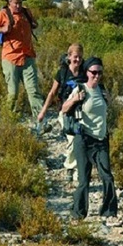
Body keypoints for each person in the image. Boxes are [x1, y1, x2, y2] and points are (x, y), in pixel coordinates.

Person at [62, 57, 118, 223]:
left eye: (100, 72)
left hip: (101, 140)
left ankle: (109, 212)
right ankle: (78, 213)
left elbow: (105, 112)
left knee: (107, 176)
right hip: (84, 138)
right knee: (84, 179)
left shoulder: (102, 90)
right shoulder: (80, 89)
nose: (97, 76)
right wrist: (74, 99)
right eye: (93, 72)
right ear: (86, 72)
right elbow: (64, 108)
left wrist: (110, 100)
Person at [0, 0, 44, 122]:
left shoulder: (26, 12)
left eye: (20, 3)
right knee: (13, 93)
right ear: (9, 2)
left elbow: (34, 24)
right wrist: (2, 29)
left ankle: (40, 121)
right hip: (10, 57)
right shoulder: (3, 14)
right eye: (15, 3)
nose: (18, 6)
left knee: (34, 90)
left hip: (28, 56)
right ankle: (6, 120)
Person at [38, 43, 86, 181]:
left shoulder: (85, 72)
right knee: (72, 139)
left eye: (80, 58)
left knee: (80, 138)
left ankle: (76, 168)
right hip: (66, 111)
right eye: (75, 57)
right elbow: (52, 93)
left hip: (81, 111)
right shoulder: (62, 73)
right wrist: (43, 112)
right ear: (69, 56)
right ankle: (70, 167)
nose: (78, 60)